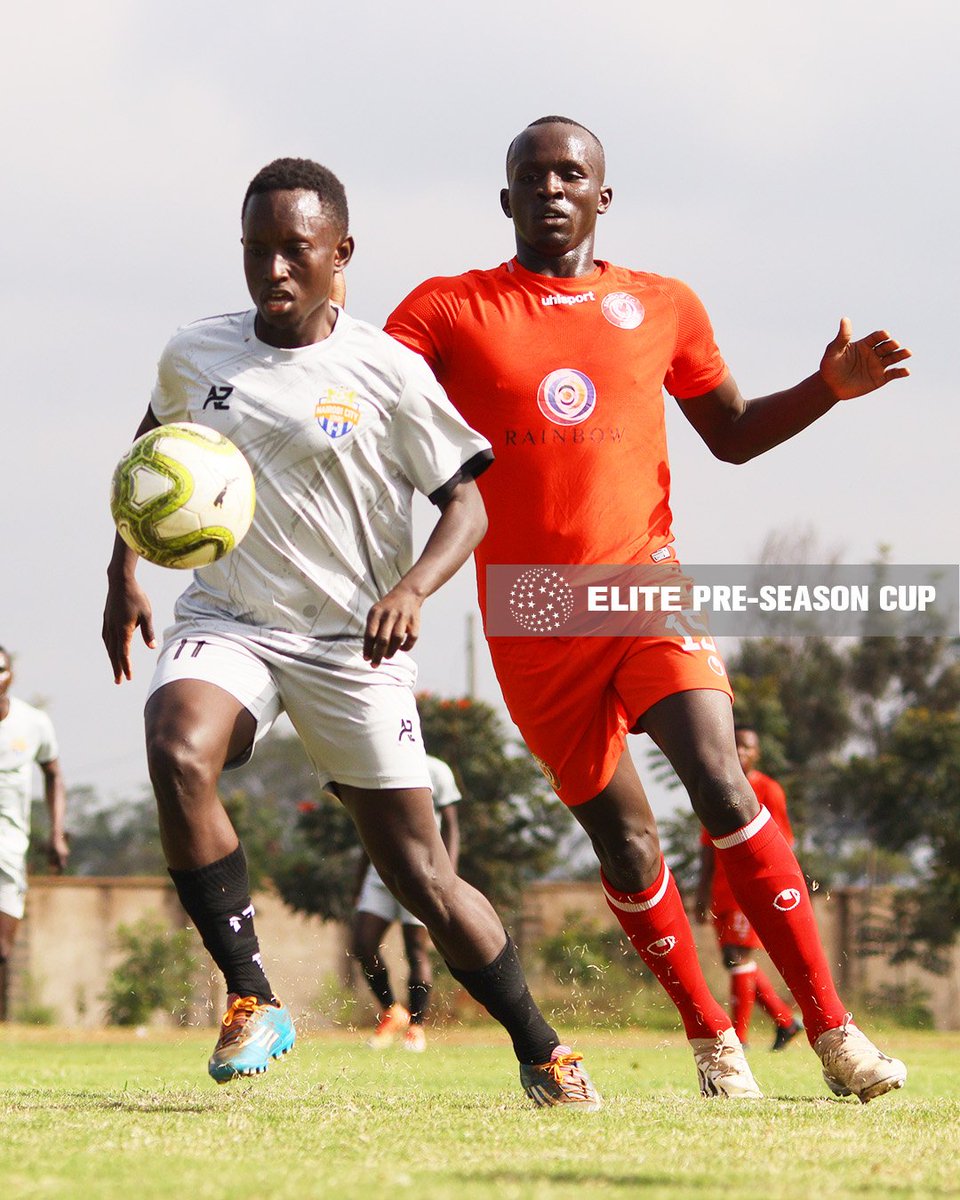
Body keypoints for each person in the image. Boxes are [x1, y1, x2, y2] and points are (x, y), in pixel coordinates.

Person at [384, 116, 909, 1102]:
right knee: (625, 843)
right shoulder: (449, 308)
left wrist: (827, 389)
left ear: (602, 195)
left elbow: (734, 433)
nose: (551, 188)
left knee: (722, 781)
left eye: (570, 173)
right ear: (506, 199)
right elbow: (365, 393)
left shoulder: (662, 303)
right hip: (530, 612)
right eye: (532, 176)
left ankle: (836, 1033)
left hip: (640, 583)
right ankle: (712, 1038)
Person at [101, 157, 598, 1108]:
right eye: (257, 250)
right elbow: (151, 456)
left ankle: (543, 1050)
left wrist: (412, 588)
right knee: (176, 749)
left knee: (422, 876)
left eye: (296, 250)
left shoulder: (388, 371)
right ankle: (253, 995)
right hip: (232, 622)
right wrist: (122, 568)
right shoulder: (194, 353)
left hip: (351, 648)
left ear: (341, 254)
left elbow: (467, 506)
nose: (274, 270)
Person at [696, 728, 803, 1051]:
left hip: (751, 886)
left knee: (737, 955)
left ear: (757, 753)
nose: (741, 751)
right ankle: (785, 1021)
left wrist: (775, 886)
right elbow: (706, 844)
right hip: (722, 890)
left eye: (748, 747)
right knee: (734, 961)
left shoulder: (769, 789)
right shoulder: (715, 785)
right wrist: (701, 891)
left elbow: (781, 840)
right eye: (737, 745)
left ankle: (739, 1038)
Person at [352, 753, 460, 1052]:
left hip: (421, 872)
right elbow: (369, 825)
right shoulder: (377, 765)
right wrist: (358, 879)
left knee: (415, 950)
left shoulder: (436, 770)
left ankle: (416, 1025)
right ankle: (392, 1011)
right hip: (379, 872)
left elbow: (451, 825)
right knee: (362, 944)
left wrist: (447, 873)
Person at [0, 645, 69, 1019]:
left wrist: (56, 834)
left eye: (0, 670)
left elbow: (53, 775)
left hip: (9, 847)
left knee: (3, 949)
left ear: (11, 675)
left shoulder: (33, 723)